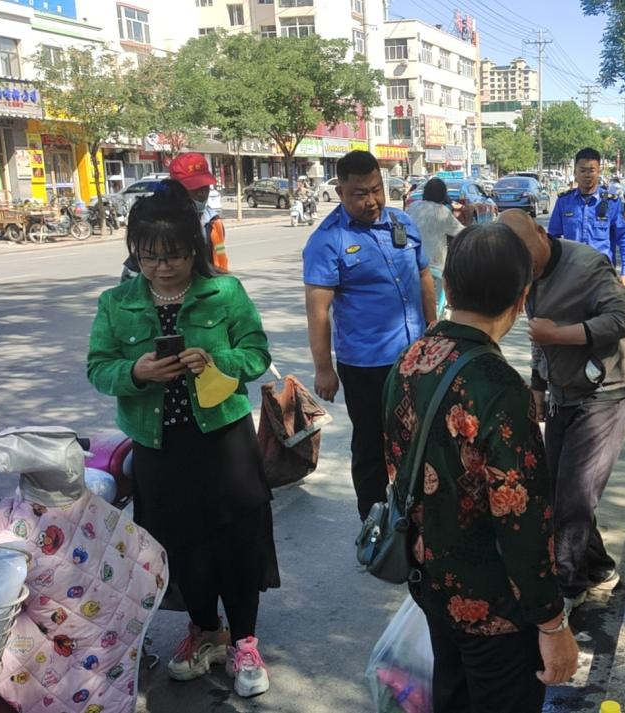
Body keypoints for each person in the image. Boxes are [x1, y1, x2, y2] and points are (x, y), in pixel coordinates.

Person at [87, 180, 277, 698]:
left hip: (223, 441)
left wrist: (218, 360)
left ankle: (244, 642)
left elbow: (257, 354)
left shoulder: (225, 293)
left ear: (194, 249)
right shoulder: (116, 303)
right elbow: (98, 368)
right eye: (148, 257)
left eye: (172, 255)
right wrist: (137, 372)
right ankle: (204, 631)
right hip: (159, 447)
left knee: (236, 545)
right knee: (181, 548)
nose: (161, 267)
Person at [383, 221, 578, 712]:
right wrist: (552, 622)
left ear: (448, 288)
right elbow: (521, 518)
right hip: (496, 609)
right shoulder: (499, 387)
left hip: (431, 585)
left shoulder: (410, 360)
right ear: (522, 299)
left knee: (453, 696)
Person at [499, 209, 625, 616]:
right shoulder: (525, 276)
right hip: (562, 393)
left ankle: (565, 586)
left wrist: (560, 335)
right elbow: (537, 340)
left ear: (541, 233)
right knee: (557, 490)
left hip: (605, 392)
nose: (522, 265)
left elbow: (624, 317)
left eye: (525, 251)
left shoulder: (587, 265)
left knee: (575, 495)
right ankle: (599, 568)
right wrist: (538, 388)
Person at [303, 150, 437, 521]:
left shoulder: (402, 222)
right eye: (360, 193)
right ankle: (375, 526)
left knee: (421, 438)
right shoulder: (328, 240)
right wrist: (323, 368)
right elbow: (318, 309)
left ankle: (417, 518)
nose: (372, 200)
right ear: (341, 192)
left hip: (416, 356)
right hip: (366, 365)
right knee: (371, 448)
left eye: (377, 189)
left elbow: (424, 277)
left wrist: (434, 330)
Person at [548, 148, 625, 288]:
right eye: (582, 170)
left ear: (599, 171)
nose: (587, 175)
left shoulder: (611, 203)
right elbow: (552, 240)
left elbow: (624, 237)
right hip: (571, 275)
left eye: (591, 170)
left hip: (603, 276)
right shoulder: (564, 202)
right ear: (575, 172)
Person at [406, 177, 464, 320]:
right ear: (442, 195)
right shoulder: (443, 211)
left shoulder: (413, 207)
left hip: (412, 263)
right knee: (438, 305)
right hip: (435, 266)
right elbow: (462, 233)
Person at [168, 152, 229, 271]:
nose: (202, 193)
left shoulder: (214, 222)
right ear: (176, 189)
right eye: (194, 188)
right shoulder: (161, 224)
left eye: (205, 186)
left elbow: (219, 260)